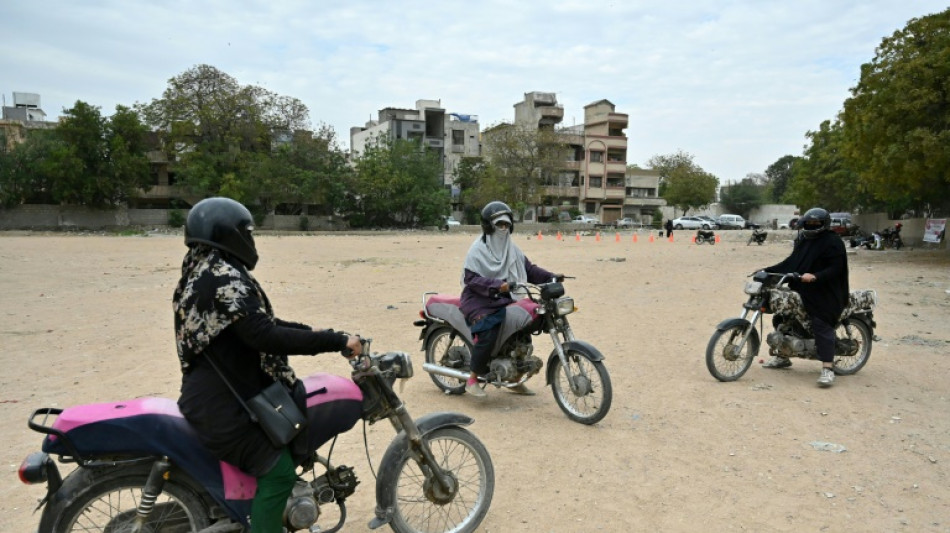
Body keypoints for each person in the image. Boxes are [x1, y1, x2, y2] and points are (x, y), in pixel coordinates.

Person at [173, 197, 363, 532]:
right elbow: (262, 335)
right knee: (280, 474)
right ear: (232, 234)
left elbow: (251, 323)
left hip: (216, 396)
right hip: (225, 409)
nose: (252, 241)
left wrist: (310, 331)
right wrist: (333, 341)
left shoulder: (201, 270)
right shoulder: (223, 276)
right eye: (248, 233)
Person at [460, 201, 561, 397]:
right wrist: (498, 285)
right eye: (499, 225)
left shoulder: (512, 249)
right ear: (489, 226)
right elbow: (471, 280)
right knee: (489, 330)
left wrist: (551, 277)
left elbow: (529, 270)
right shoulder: (477, 250)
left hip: (504, 297)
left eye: (506, 225)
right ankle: (472, 378)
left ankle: (514, 378)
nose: (503, 229)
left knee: (522, 326)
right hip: (479, 299)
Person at [760, 207, 849, 387]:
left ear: (824, 224)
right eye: (809, 223)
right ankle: (783, 356)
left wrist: (816, 276)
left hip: (826, 291)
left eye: (816, 223)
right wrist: (767, 271)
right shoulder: (802, 240)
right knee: (781, 317)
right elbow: (791, 262)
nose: (812, 225)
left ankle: (827, 368)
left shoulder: (833, 242)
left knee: (821, 323)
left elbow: (836, 268)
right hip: (803, 287)